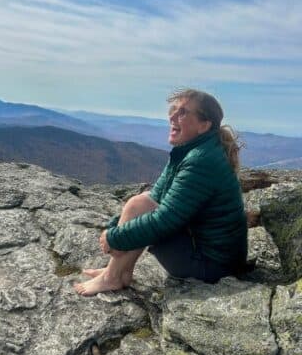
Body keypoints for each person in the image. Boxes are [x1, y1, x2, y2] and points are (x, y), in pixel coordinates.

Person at [75, 89, 247, 296]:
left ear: (204, 125)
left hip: (210, 266)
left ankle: (112, 277)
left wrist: (115, 237)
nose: (172, 117)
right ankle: (119, 272)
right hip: (210, 254)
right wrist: (116, 229)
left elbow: (166, 220)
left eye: (182, 112)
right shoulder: (193, 150)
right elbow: (156, 196)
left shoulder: (201, 160)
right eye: (173, 110)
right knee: (140, 202)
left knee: (141, 207)